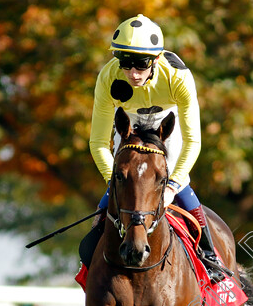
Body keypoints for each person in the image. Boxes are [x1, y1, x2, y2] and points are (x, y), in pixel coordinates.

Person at [79, 14, 225, 283]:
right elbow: (98, 142)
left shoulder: (179, 77)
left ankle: (209, 255)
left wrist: (172, 186)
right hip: (129, 123)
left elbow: (193, 142)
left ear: (155, 60)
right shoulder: (107, 78)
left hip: (166, 124)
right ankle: (89, 263)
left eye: (141, 64)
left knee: (180, 184)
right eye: (125, 63)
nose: (133, 73)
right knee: (123, 184)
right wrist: (113, 181)